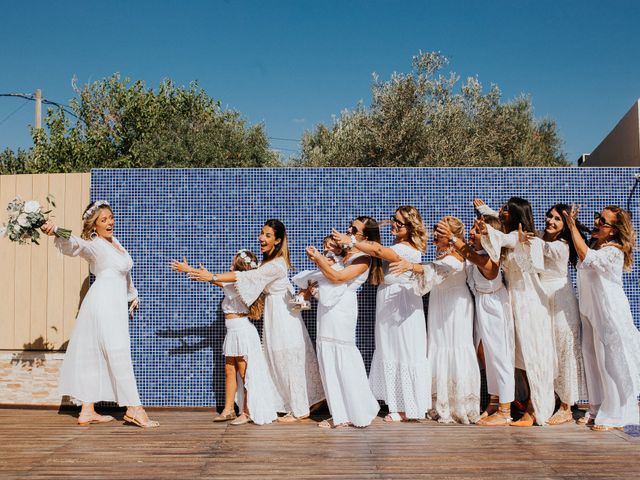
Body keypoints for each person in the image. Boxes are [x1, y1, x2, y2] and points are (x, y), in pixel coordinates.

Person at [184, 219, 324, 422]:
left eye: (268, 235)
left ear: (277, 240)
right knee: (277, 360)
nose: (262, 238)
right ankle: (304, 402)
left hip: (284, 318)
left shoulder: (277, 264)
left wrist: (213, 277)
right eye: (262, 233)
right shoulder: (268, 263)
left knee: (287, 359)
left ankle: (300, 410)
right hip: (273, 316)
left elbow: (249, 276)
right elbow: (247, 279)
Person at [41, 201, 158, 428]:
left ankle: (87, 410)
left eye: (111, 217)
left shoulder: (114, 242)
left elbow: (124, 273)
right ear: (94, 225)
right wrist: (55, 230)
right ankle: (134, 408)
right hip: (103, 302)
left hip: (114, 302)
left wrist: (132, 295)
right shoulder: (94, 244)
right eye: (103, 220)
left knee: (95, 352)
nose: (110, 222)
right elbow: (76, 243)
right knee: (118, 349)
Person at [333, 208, 429, 421]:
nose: (394, 224)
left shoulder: (407, 249)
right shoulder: (398, 245)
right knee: (390, 348)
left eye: (400, 223)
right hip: (388, 299)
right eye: (394, 220)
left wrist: (350, 241)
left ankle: (408, 408)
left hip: (402, 303)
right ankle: (396, 403)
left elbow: (377, 250)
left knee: (404, 348)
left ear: (411, 227)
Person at [170, 250, 278, 426]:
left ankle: (247, 411)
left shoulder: (243, 282)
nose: (230, 266)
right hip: (232, 333)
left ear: (240, 267)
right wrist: (188, 269)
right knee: (229, 371)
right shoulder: (233, 284)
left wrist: (208, 276)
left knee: (245, 374)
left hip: (243, 332)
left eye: (233, 263)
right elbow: (212, 279)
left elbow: (215, 278)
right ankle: (228, 410)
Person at [391, 216, 480, 424]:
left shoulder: (458, 254)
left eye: (441, 231)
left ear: (452, 236)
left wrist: (412, 267)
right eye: (436, 230)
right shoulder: (441, 253)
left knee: (455, 346)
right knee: (438, 346)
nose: (435, 234)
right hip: (439, 301)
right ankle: (438, 401)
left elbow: (441, 269)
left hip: (456, 306)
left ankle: (459, 404)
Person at [475, 197, 555, 426]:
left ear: (516, 214)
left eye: (506, 210)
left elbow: (504, 237)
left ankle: (534, 409)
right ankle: (519, 402)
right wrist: (484, 211)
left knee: (532, 355)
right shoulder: (513, 236)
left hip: (530, 302)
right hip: (512, 300)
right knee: (516, 357)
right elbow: (502, 232)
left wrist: (488, 227)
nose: (501, 211)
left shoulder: (530, 239)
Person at [565, 205, 640, 431]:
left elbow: (584, 255)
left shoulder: (613, 251)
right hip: (590, 309)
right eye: (598, 217)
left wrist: (571, 226)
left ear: (614, 230)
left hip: (608, 310)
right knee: (591, 357)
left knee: (610, 360)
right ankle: (596, 407)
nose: (597, 222)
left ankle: (615, 413)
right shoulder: (597, 243)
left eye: (604, 222)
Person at [436, 215, 515, 425]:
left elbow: (471, 256)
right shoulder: (476, 253)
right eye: (472, 229)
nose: (472, 233)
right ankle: (494, 401)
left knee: (500, 356)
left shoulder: (490, 259)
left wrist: (453, 238)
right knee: (487, 355)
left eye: (477, 231)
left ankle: (506, 411)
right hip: (480, 304)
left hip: (495, 305)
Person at [304, 219, 381, 428]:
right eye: (350, 227)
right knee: (327, 355)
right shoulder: (343, 254)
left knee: (342, 357)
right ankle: (339, 412)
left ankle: (356, 410)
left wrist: (320, 259)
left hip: (343, 309)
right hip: (327, 307)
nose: (348, 231)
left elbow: (338, 278)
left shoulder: (363, 258)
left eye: (354, 230)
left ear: (365, 237)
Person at [537, 204, 588, 425]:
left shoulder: (562, 245)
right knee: (548, 350)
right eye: (549, 217)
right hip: (542, 298)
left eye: (557, 219)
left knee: (564, 348)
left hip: (560, 299)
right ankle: (553, 400)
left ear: (565, 225)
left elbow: (538, 246)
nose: (551, 221)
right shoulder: (541, 238)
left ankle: (567, 406)